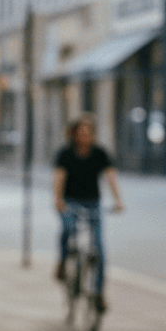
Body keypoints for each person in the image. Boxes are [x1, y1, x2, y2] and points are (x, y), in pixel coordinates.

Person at [53, 114, 124, 310]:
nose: (85, 135)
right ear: (74, 134)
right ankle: (62, 261)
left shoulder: (100, 153)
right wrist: (58, 200)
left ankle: (99, 293)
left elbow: (110, 176)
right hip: (70, 202)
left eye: (89, 132)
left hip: (93, 203)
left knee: (99, 248)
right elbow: (59, 178)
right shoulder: (66, 154)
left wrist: (118, 200)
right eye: (81, 132)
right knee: (68, 229)